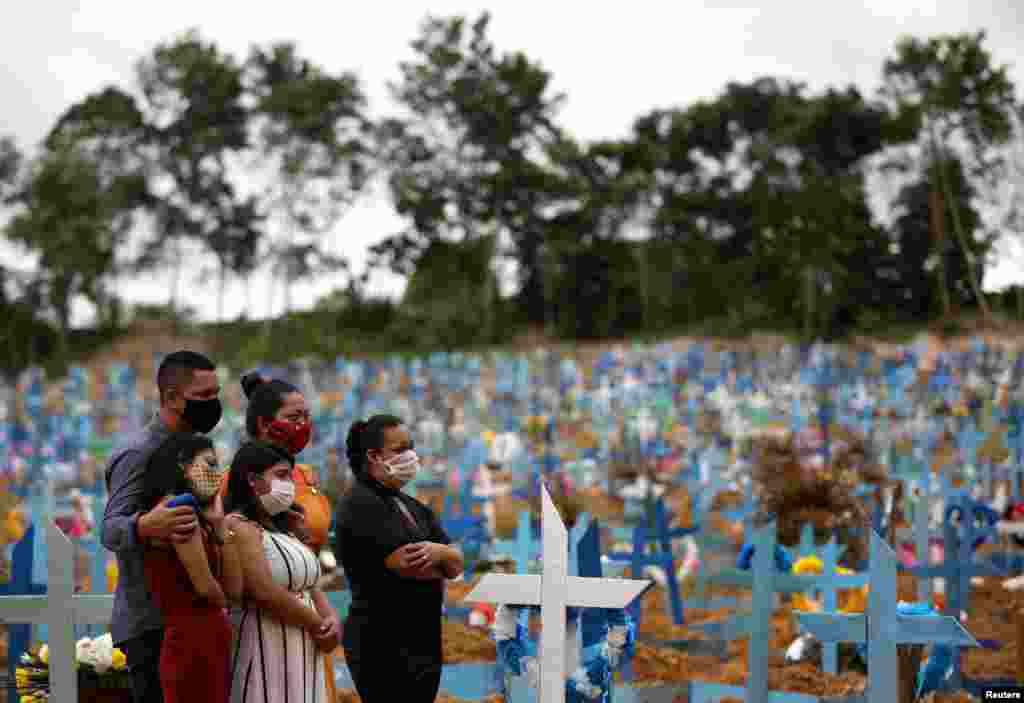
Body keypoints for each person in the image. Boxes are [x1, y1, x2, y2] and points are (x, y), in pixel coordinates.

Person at [102, 350, 223, 703]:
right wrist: (144, 525)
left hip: (196, 621)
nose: (213, 403)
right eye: (203, 396)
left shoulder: (198, 448)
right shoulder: (138, 453)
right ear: (171, 397)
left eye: (216, 394)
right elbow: (110, 530)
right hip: (154, 623)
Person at [217, 372, 341, 699]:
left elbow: (311, 547)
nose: (303, 424)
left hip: (307, 613)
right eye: (293, 417)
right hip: (270, 628)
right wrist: (316, 621)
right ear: (264, 423)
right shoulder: (237, 486)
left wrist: (326, 618)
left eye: (306, 416)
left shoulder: (305, 475)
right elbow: (259, 586)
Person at [335, 414, 465, 703]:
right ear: (373, 455)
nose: (410, 456)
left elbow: (455, 565)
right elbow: (408, 566)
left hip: (422, 641)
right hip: (383, 645)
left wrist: (440, 553)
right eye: (400, 449)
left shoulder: (410, 505)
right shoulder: (361, 502)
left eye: (411, 447)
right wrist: (440, 558)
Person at [141, 433, 242, 703]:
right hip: (193, 640)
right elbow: (207, 587)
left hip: (205, 638)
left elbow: (233, 589)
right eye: (209, 463)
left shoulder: (201, 515)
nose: (216, 473)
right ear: (183, 466)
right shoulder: (177, 511)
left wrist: (220, 528)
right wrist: (222, 605)